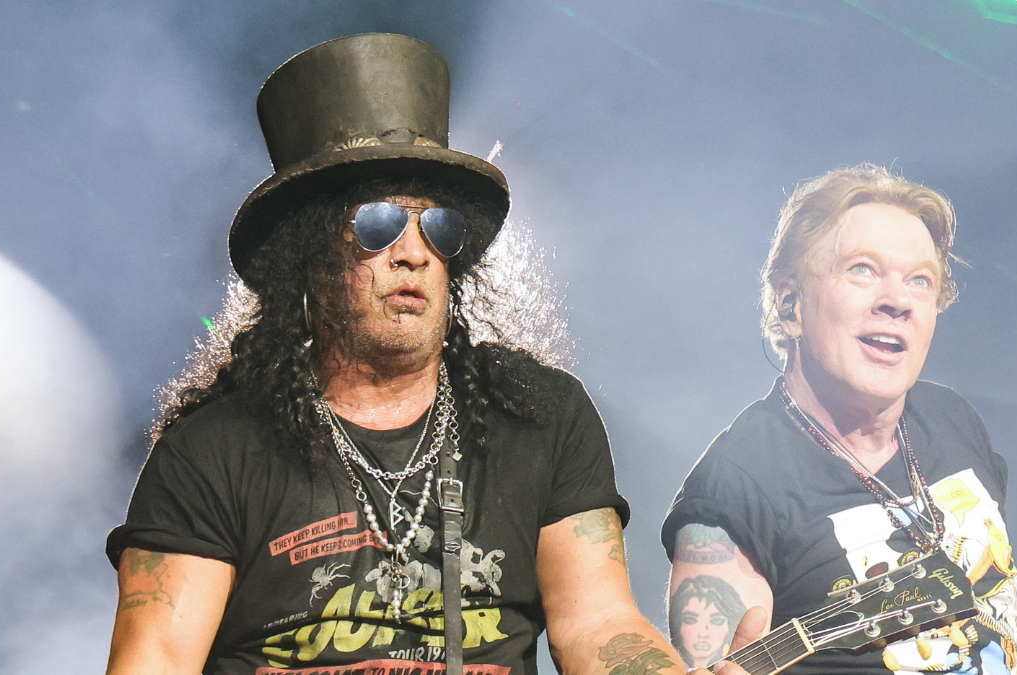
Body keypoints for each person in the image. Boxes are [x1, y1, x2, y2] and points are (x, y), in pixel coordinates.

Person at [104, 33, 755, 675]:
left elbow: (599, 623)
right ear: (311, 258)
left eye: (436, 226)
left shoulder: (541, 418)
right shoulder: (211, 452)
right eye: (379, 224)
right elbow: (156, 658)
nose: (414, 252)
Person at [662, 165, 1017, 674]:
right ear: (791, 304)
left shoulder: (952, 419)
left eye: (920, 280)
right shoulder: (737, 488)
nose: (897, 301)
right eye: (863, 269)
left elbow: (1000, 616)